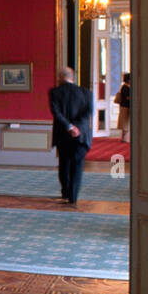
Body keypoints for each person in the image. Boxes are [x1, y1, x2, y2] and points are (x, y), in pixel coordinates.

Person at [49, 67, 93, 205]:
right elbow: (88, 112)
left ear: (61, 77)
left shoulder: (55, 92)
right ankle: (73, 197)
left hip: (63, 135)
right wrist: (77, 127)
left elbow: (56, 113)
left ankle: (66, 193)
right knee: (77, 166)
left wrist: (69, 127)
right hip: (81, 135)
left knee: (64, 165)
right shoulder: (86, 93)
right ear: (72, 77)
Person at [116, 73, 131, 143]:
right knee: (125, 123)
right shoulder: (125, 87)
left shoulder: (126, 86)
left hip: (125, 106)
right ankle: (125, 138)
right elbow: (127, 97)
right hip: (125, 107)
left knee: (126, 123)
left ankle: (125, 138)